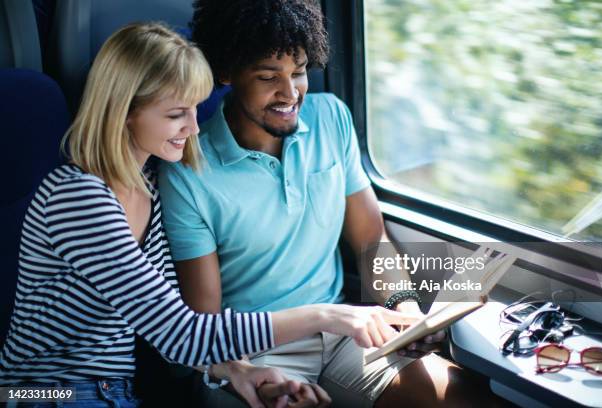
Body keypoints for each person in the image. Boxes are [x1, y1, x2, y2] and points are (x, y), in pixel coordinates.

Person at [0, 22, 415, 408]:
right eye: (176, 114)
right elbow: (181, 333)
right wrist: (330, 315)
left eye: (194, 110)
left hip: (115, 391)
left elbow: (168, 328)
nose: (194, 128)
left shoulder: (152, 188)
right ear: (124, 111)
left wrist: (241, 370)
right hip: (45, 390)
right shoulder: (78, 198)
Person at [158, 1, 507, 407]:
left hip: (346, 335)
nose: (290, 93)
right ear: (227, 73)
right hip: (257, 353)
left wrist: (405, 313)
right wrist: (264, 381)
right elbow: (206, 327)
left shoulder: (331, 119)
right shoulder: (189, 171)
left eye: (300, 72)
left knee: (466, 398)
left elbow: (370, 239)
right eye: (268, 77)